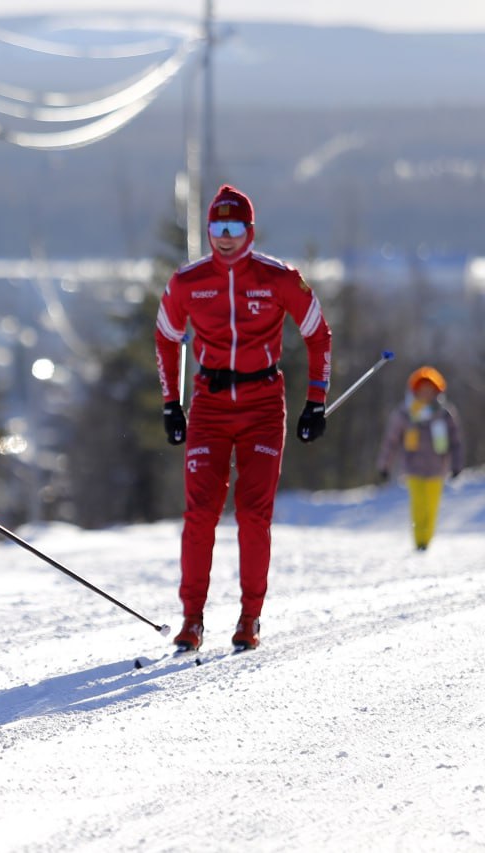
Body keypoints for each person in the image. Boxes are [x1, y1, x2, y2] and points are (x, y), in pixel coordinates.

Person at [154, 184, 333, 653]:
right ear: (209, 230)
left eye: (235, 228)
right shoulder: (189, 281)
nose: (226, 237)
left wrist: (316, 401)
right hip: (210, 405)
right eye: (218, 227)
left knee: (254, 516)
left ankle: (249, 616)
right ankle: (191, 619)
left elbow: (318, 334)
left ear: (250, 231)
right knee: (200, 515)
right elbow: (166, 336)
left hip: (261, 405)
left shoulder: (278, 278)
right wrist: (172, 403)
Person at [376, 366, 464, 551]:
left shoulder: (444, 414)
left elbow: (455, 442)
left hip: (437, 468)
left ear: (436, 391)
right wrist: (384, 465)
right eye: (422, 389)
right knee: (418, 506)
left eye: (430, 390)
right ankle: (419, 542)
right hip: (413, 467)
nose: (426, 393)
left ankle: (427, 539)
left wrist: (457, 465)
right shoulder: (405, 413)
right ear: (415, 390)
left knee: (431, 507)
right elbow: (391, 441)